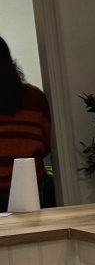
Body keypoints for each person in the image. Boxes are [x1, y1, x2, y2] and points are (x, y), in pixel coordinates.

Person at [0, 36, 52, 211]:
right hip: (28, 185)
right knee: (33, 228)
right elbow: (46, 144)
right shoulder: (35, 98)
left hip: (28, 184)